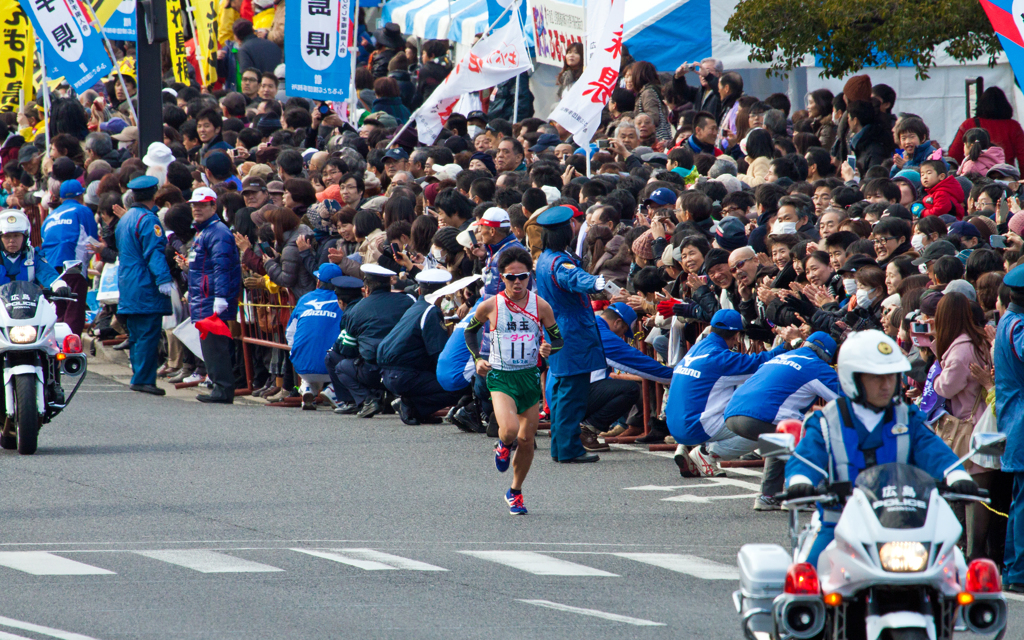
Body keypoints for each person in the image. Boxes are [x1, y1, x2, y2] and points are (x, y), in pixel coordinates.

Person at [785, 330, 978, 567]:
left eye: (891, 376)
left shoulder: (907, 418)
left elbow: (932, 450)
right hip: (840, 525)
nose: (887, 384)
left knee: (956, 578)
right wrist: (800, 480)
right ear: (853, 378)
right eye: (877, 377)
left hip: (903, 525)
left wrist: (955, 474)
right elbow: (807, 457)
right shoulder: (827, 421)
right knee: (807, 584)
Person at [463, 248, 561, 514]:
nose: (517, 282)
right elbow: (469, 333)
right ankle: (502, 446)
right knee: (508, 431)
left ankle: (515, 491)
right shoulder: (490, 305)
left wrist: (548, 348)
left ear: (529, 277)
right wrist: (477, 359)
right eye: (511, 277)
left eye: (523, 277)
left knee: (527, 440)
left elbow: (558, 340)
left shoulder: (540, 306)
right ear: (502, 278)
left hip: (528, 378)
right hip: (501, 377)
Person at [722, 332, 841, 511]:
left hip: (732, 414)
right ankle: (801, 496)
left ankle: (769, 495)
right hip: (759, 416)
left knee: (780, 437)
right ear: (826, 356)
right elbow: (847, 398)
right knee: (811, 434)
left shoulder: (783, 356)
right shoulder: (815, 365)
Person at [666, 309, 791, 477]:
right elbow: (761, 363)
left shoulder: (697, 348)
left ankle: (687, 447)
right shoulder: (720, 358)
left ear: (711, 329)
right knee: (762, 426)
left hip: (676, 425)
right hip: (696, 426)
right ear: (736, 335)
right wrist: (789, 344)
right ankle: (706, 453)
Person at [535, 206, 607, 463]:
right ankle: (568, 449)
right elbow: (573, 277)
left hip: (558, 329)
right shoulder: (559, 261)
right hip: (572, 332)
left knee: (563, 391)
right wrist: (596, 283)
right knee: (572, 395)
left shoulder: (546, 257)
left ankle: (561, 447)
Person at [0, 210, 70, 450]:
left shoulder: (33, 257)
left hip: (27, 315)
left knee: (55, 345)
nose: (11, 241)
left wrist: (59, 284)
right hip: (2, 315)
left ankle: (52, 381)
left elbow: (49, 274)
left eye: (16, 236)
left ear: (25, 236)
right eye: (7, 236)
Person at [115, 176, 175, 396]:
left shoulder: (126, 218)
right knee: (149, 333)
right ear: (154, 194)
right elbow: (154, 252)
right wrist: (163, 278)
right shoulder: (148, 219)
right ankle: (144, 379)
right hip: (144, 283)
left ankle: (139, 376)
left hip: (128, 282)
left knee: (137, 334)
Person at [377, 269, 461, 425]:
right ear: (442, 294)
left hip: (391, 373)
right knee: (458, 384)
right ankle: (412, 405)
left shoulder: (416, 307)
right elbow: (439, 354)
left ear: (420, 290)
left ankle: (416, 407)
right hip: (405, 375)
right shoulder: (431, 311)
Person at [330, 264, 414, 418]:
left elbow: (348, 349)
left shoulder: (356, 309)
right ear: (390, 284)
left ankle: (367, 401)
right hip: (406, 368)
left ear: (366, 288)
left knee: (342, 366)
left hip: (374, 371)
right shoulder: (408, 301)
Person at [184, 187, 242, 404]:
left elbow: (222, 267)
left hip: (211, 299)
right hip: (204, 298)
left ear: (213, 206)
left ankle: (222, 389)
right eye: (194, 205)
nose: (197, 209)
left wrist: (220, 297)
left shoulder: (217, 232)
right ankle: (219, 387)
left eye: (202, 205)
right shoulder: (204, 230)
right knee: (211, 347)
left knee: (215, 347)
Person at [995, 264, 1024, 591]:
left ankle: (1014, 571)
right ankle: (1017, 573)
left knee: (1019, 501)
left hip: (1013, 419)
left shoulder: (1008, 321)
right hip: (1020, 420)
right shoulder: (1019, 327)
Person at [286, 263, 346, 410]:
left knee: (307, 356)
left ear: (318, 281)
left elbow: (290, 333)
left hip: (301, 366)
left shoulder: (304, 299)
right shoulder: (343, 301)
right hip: (332, 367)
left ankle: (307, 388)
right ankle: (333, 390)